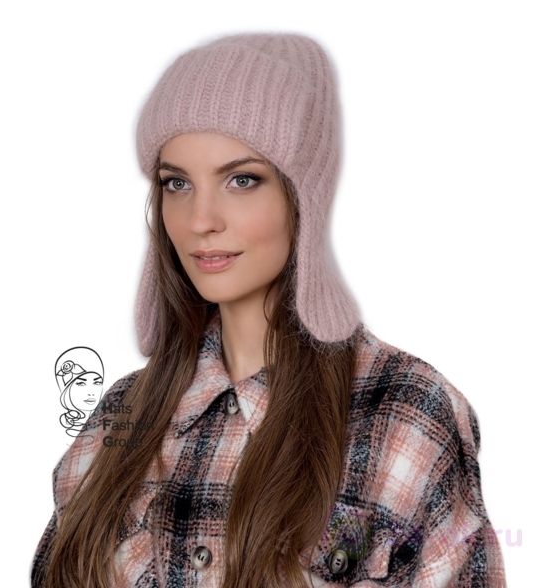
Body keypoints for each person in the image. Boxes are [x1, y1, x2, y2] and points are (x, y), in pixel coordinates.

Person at [31, 33, 507, 588]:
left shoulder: (405, 414)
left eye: (242, 180)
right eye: (177, 183)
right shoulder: (120, 416)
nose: (200, 220)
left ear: (303, 195)